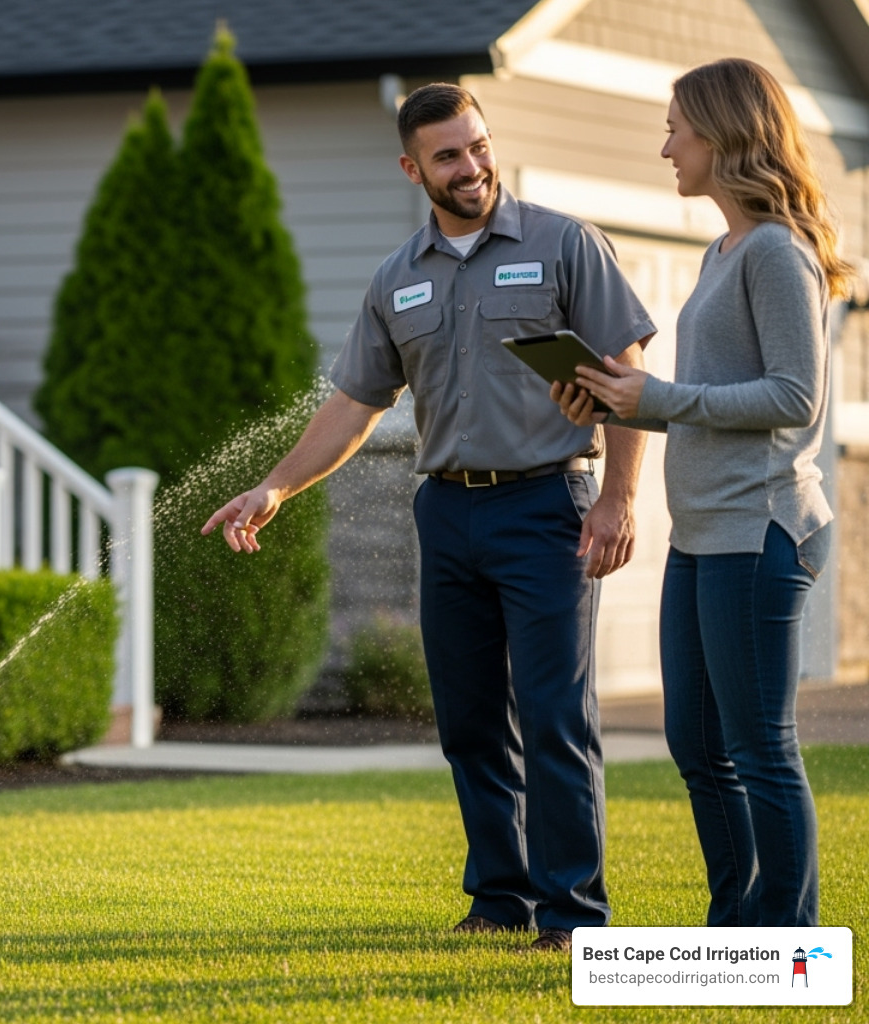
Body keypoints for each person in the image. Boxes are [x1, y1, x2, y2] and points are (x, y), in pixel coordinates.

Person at [202, 83, 656, 952]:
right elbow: (353, 405)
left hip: (546, 505)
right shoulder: (397, 278)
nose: (472, 166)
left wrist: (619, 497)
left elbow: (625, 371)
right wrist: (275, 487)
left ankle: (573, 917)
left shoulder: (565, 245)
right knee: (471, 717)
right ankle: (500, 899)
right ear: (413, 169)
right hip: (446, 514)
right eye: (449, 155)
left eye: (479, 145)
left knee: (556, 714)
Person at [552, 58, 852, 927]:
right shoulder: (724, 249)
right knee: (696, 743)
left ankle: (786, 940)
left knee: (760, 749)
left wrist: (663, 401)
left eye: (676, 129)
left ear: (722, 136)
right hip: (701, 531)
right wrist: (615, 394)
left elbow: (797, 397)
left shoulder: (774, 251)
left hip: (761, 530)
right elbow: (721, 387)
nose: (664, 148)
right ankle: (735, 919)